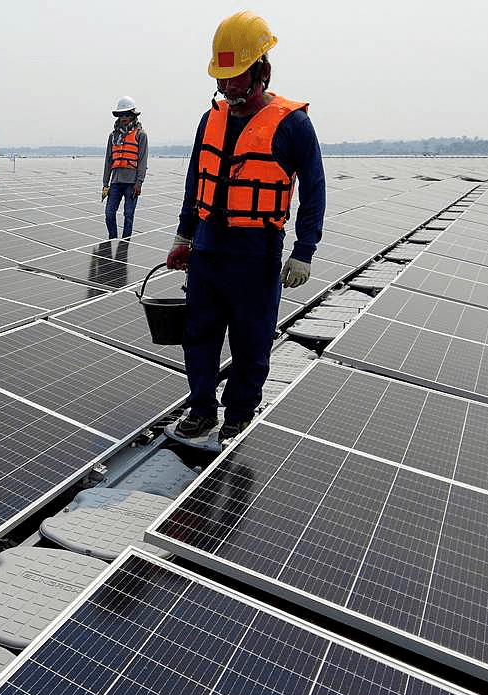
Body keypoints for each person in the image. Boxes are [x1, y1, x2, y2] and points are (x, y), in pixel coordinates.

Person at [165, 10, 325, 443]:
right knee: (199, 336)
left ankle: (239, 411)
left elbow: (314, 189)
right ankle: (201, 408)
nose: (228, 87)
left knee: (251, 340)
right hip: (208, 250)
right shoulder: (210, 118)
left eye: (236, 77)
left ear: (262, 71)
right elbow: (195, 180)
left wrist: (304, 251)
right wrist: (184, 236)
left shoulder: (293, 124)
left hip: (257, 252)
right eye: (223, 78)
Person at [102, 97, 148, 239]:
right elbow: (108, 160)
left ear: (133, 115)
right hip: (115, 182)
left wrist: (139, 182)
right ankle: (113, 239)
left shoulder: (140, 135)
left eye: (127, 114)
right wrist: (105, 183)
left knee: (128, 214)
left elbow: (142, 160)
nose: (124, 118)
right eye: (121, 115)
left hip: (132, 184)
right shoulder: (113, 136)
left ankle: (125, 242)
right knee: (109, 213)